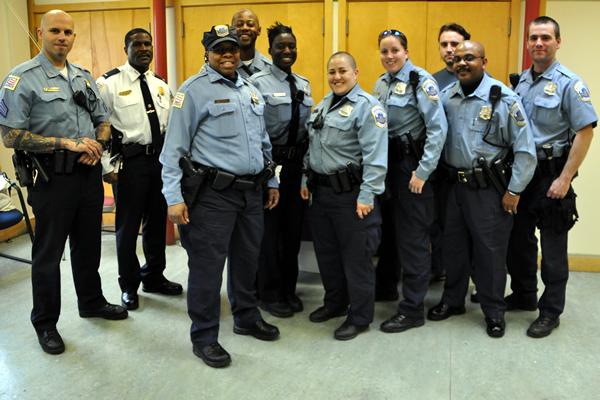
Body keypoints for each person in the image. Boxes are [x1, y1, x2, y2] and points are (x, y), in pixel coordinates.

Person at [0, 10, 128, 355]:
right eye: (55, 30)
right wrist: (67, 144)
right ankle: (45, 323)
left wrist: (97, 145)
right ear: (41, 32)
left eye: (68, 32)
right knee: (48, 255)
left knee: (88, 247)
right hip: (51, 178)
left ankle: (92, 302)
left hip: (88, 174)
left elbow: (103, 120)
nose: (62, 37)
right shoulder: (21, 78)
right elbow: (10, 136)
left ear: (73, 36)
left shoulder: (82, 77)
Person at [159, 25, 280, 368]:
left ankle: (246, 317)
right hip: (213, 197)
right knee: (207, 268)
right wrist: (173, 197)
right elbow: (172, 151)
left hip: (251, 194)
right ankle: (204, 337)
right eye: (219, 49)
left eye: (233, 48)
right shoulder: (192, 91)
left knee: (247, 261)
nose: (228, 54)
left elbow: (263, 142)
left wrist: (272, 180)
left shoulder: (250, 89)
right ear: (207, 53)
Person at [427, 41, 536, 338]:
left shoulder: (504, 99)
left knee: (489, 253)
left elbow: (525, 150)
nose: (461, 63)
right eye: (457, 59)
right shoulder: (446, 97)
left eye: (469, 58)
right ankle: (453, 301)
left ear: (484, 62)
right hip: (453, 187)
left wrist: (514, 191)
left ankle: (494, 311)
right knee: (453, 248)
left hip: (488, 190)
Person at [506, 16, 597, 338]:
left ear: (558, 42)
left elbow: (585, 132)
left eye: (546, 37)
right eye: (533, 38)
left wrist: (565, 178)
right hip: (522, 175)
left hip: (551, 175)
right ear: (527, 43)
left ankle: (550, 311)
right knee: (519, 240)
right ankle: (524, 295)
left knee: (553, 247)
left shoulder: (570, 83)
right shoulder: (521, 82)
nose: (539, 43)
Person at [301, 52, 388, 341]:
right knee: (327, 255)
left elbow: (376, 158)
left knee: (356, 259)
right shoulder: (323, 105)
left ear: (355, 73)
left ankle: (360, 317)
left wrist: (367, 195)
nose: (336, 77)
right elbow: (312, 147)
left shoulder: (368, 107)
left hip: (353, 197)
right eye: (332, 72)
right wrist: (305, 179)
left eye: (342, 71)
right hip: (321, 194)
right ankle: (335, 303)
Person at [96, 28, 183, 311]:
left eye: (148, 44)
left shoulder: (161, 84)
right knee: (128, 227)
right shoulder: (108, 83)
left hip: (159, 163)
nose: (144, 48)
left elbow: (170, 127)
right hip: (129, 165)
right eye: (137, 44)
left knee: (157, 224)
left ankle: (154, 277)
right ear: (126, 49)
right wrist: (106, 166)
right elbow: (97, 125)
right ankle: (129, 286)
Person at [371, 30, 447, 333]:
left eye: (395, 50)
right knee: (389, 233)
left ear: (406, 51)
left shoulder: (421, 81)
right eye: (384, 51)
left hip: (411, 167)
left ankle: (413, 309)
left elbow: (438, 129)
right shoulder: (380, 83)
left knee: (413, 238)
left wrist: (423, 172)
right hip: (387, 166)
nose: (389, 56)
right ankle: (385, 288)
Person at [251, 23, 314, 318]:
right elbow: (255, 132)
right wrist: (267, 175)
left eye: (291, 46)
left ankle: (288, 289)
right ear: (270, 50)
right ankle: (269, 293)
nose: (287, 50)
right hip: (270, 165)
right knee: (269, 234)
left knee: (292, 232)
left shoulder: (303, 83)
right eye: (280, 46)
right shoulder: (257, 83)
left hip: (296, 165)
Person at [231, 9, 272, 79]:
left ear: (259, 30)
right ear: (231, 30)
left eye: (250, 24)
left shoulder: (270, 68)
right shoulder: (223, 67)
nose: (244, 28)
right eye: (239, 24)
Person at [432, 23, 471, 90]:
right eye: (444, 45)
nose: (448, 50)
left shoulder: (480, 79)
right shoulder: (432, 81)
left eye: (454, 44)